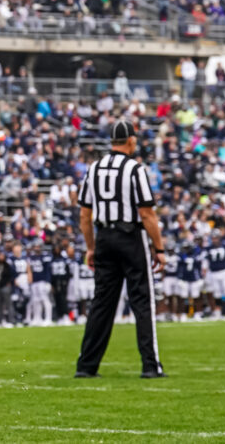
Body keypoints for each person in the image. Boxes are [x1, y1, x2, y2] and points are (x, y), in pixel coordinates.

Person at [75, 120, 166, 379]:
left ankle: (86, 366)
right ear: (131, 140)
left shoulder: (94, 169)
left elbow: (84, 215)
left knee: (102, 303)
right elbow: (147, 213)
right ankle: (150, 365)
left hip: (104, 236)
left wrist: (91, 247)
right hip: (130, 237)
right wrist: (159, 248)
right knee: (141, 300)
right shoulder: (135, 169)